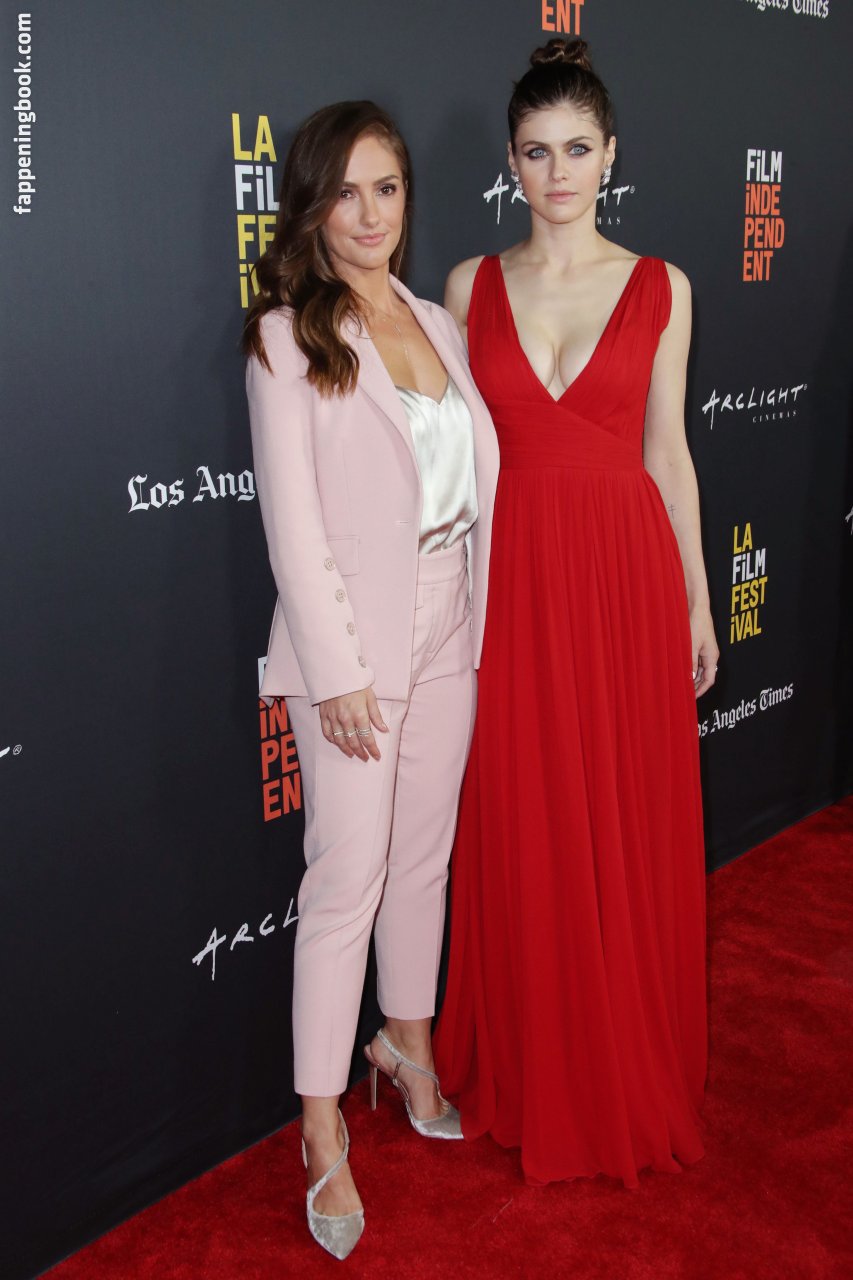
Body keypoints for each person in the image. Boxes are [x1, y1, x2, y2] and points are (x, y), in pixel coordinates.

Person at [433, 38, 719, 1189]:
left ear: (611, 155)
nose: (558, 173)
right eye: (536, 151)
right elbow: (450, 465)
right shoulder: (468, 287)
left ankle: (616, 1054)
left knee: (618, 816)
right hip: (511, 584)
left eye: (577, 149)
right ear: (510, 162)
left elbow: (668, 453)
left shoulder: (662, 286)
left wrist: (696, 599)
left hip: (623, 582)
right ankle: (533, 1052)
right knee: (528, 812)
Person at [244, 101, 498, 1258]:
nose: (366, 213)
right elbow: (293, 527)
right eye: (343, 191)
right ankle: (318, 1123)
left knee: (421, 857)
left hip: (449, 621)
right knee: (344, 877)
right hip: (350, 643)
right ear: (310, 203)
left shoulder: (435, 320)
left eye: (385, 187)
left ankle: (406, 1042)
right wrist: (339, 670)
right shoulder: (286, 337)